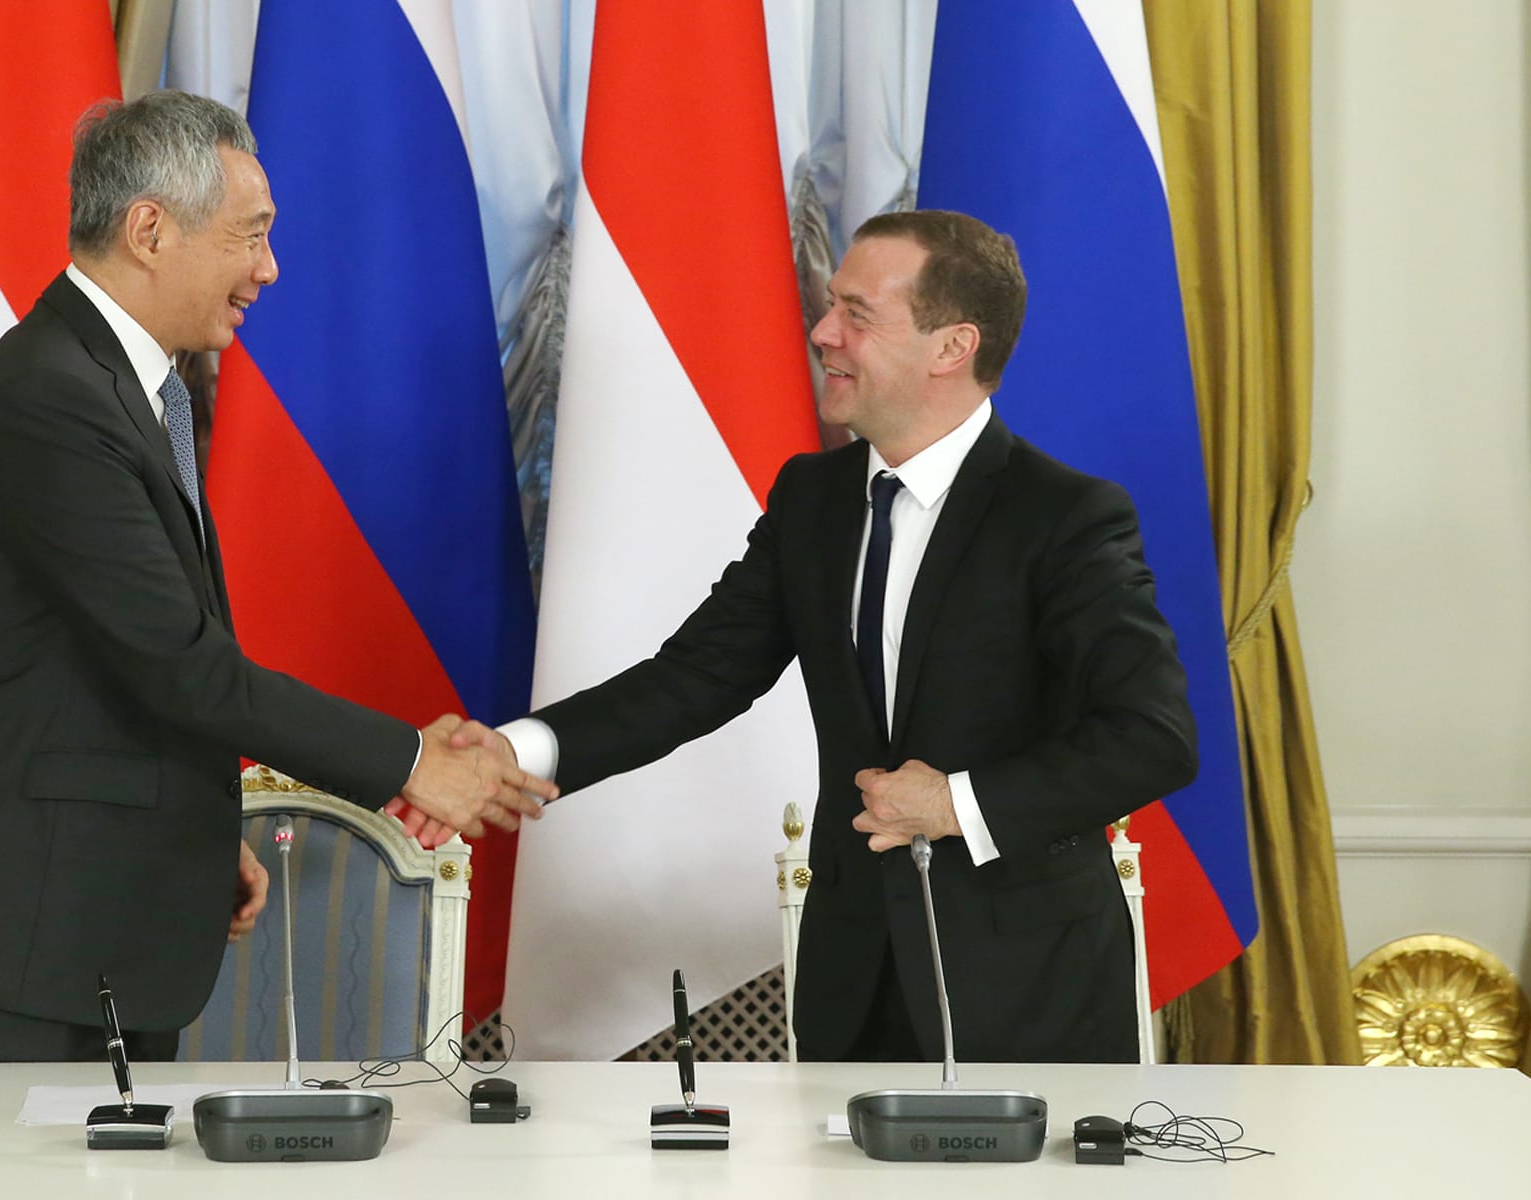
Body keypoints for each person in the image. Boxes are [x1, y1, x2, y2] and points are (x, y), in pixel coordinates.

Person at [0, 90, 555, 1063]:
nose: (268, 270)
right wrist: (416, 761)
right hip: (18, 945)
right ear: (149, 229)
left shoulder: (123, 388)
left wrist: (188, 834)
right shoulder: (52, 398)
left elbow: (108, 673)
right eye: (251, 235)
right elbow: (185, 666)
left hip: (95, 920)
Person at [458, 209, 1197, 1063]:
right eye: (830, 306)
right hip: (852, 977)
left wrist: (955, 802)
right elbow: (695, 675)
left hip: (1028, 987)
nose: (822, 332)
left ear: (952, 347)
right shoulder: (812, 499)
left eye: (857, 313)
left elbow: (1155, 738)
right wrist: (518, 752)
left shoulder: (1065, 517)